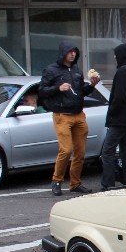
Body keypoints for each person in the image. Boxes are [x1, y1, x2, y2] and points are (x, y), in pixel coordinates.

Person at [38, 41, 101, 196]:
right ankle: (56, 180)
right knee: (66, 150)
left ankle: (75, 183)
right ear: (63, 53)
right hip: (62, 115)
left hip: (78, 114)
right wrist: (58, 88)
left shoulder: (76, 70)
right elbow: (42, 91)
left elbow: (81, 91)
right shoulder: (51, 70)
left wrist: (92, 85)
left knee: (80, 152)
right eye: (70, 51)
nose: (73, 54)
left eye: (75, 52)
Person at [99, 43, 126, 191]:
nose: (115, 57)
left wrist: (112, 112)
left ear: (122, 55)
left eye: (116, 55)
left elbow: (119, 97)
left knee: (107, 151)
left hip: (118, 120)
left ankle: (108, 183)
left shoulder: (123, 71)